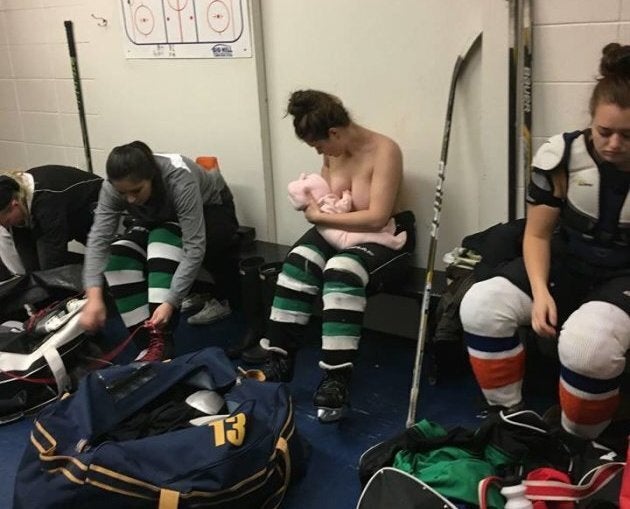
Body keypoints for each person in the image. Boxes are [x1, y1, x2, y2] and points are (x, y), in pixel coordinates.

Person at [460, 42, 630, 440]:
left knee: (588, 346)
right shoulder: (562, 155)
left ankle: (574, 443)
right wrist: (539, 292)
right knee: (481, 305)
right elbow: (536, 233)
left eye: (628, 135)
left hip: (623, 276)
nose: (613, 145)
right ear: (591, 120)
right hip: (567, 261)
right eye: (604, 131)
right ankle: (508, 419)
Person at [258, 89, 416, 423]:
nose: (319, 153)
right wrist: (314, 202)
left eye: (319, 146)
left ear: (334, 132)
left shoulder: (385, 151)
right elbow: (327, 195)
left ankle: (336, 377)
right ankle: (279, 358)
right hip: (337, 227)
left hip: (384, 235)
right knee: (297, 262)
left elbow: (376, 216)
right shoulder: (334, 153)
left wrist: (320, 217)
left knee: (341, 271)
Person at [80, 141, 239, 361]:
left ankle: (162, 342)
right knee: (119, 256)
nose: (130, 200)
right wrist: (94, 297)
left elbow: (195, 247)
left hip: (212, 208)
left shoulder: (179, 179)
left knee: (161, 243)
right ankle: (146, 345)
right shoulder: (113, 187)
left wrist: (171, 301)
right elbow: (99, 239)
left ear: (152, 177)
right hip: (157, 214)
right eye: (123, 193)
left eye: (136, 190)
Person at [0, 165, 103, 274]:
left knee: (50, 267)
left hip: (96, 207)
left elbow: (52, 263)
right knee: (34, 266)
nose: (5, 226)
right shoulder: (17, 199)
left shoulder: (46, 202)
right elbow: (27, 257)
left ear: (14, 205)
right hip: (67, 214)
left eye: (6, 221)